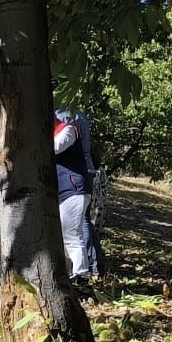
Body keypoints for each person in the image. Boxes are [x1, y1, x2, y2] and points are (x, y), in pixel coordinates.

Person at [52, 108, 100, 287]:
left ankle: (81, 274)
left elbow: (56, 147)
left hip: (74, 188)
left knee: (72, 234)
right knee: (68, 233)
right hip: (67, 189)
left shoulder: (68, 129)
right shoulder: (62, 130)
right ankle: (75, 271)